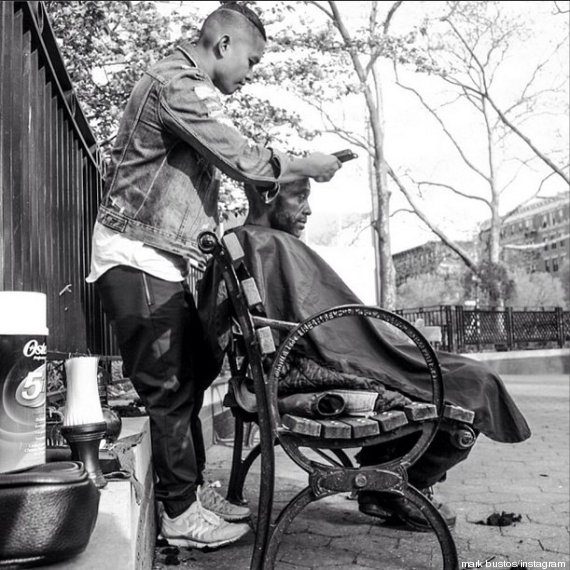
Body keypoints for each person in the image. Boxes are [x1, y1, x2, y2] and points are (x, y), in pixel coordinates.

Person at [87, 2, 342, 551]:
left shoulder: (187, 86)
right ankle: (180, 515)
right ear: (224, 45)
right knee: (167, 386)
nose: (249, 75)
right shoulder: (176, 84)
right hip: (136, 256)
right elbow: (240, 155)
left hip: (160, 257)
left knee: (195, 369)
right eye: (251, 61)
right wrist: (304, 164)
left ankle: (191, 491)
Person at [197, 178, 531, 530]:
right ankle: (395, 484)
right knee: (477, 382)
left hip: (329, 354)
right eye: (299, 197)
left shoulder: (256, 243)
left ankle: (384, 472)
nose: (308, 209)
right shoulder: (269, 245)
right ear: (268, 195)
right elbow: (324, 325)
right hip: (326, 362)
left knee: (463, 375)